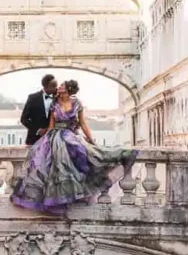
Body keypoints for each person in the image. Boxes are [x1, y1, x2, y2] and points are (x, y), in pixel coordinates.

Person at [12, 80, 136, 212]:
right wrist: (40, 142)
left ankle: (78, 190)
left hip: (70, 134)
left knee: (84, 152)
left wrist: (91, 140)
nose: (58, 87)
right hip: (55, 136)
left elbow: (83, 123)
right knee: (53, 161)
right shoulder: (54, 103)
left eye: (62, 86)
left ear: (68, 89)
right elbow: (51, 126)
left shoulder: (77, 104)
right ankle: (58, 196)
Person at [20, 73, 58, 147]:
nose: (56, 88)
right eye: (53, 86)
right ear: (46, 86)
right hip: (34, 140)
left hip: (53, 140)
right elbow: (24, 119)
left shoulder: (59, 98)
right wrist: (38, 130)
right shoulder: (32, 98)